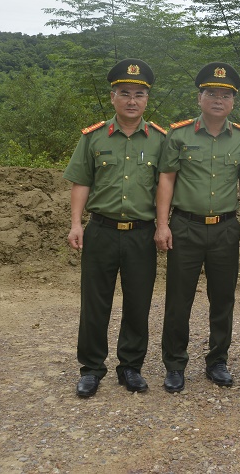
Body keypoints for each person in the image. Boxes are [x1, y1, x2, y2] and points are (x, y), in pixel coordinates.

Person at [64, 59, 167, 398]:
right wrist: (76, 223)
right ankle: (91, 369)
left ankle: (131, 367)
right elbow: (81, 182)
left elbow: (164, 187)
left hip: (141, 233)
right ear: (113, 97)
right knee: (95, 303)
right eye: (124, 93)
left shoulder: (160, 140)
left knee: (138, 302)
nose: (132, 101)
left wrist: (162, 226)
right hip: (102, 230)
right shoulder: (93, 137)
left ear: (147, 99)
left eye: (139, 94)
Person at [155, 62, 240, 392]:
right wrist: (162, 224)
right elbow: (167, 179)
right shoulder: (179, 135)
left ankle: (217, 361)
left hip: (225, 228)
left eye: (225, 95)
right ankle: (175, 364)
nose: (218, 100)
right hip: (185, 226)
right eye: (211, 93)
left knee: (223, 298)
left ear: (233, 102)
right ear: (199, 98)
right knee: (178, 299)